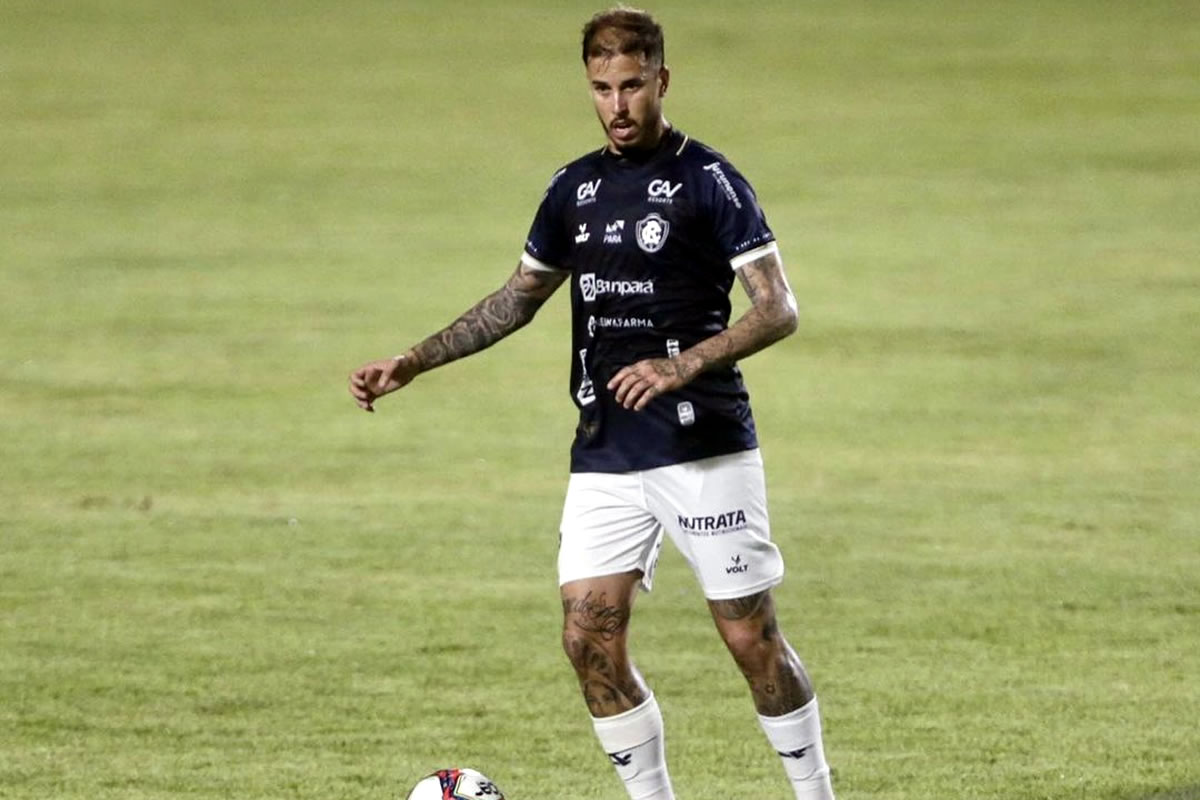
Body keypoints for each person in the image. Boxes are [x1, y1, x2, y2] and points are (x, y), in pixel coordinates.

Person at [349, 8, 835, 799]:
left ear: (662, 81)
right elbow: (517, 298)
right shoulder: (573, 189)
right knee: (587, 642)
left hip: (703, 447)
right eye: (602, 89)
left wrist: (684, 363)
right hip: (606, 450)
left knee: (750, 638)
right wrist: (414, 360)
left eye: (632, 86)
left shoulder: (708, 180)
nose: (618, 105)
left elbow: (778, 308)